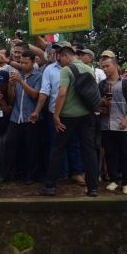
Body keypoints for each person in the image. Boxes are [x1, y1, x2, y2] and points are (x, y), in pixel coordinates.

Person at [40, 41, 100, 197]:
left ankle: (50, 186)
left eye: (60, 58)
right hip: (87, 116)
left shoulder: (66, 70)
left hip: (67, 117)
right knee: (89, 151)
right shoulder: (89, 68)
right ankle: (93, 188)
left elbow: (62, 93)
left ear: (66, 55)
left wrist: (56, 115)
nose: (60, 61)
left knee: (58, 149)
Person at [30, 42, 85, 185]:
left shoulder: (77, 67)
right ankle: (61, 174)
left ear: (67, 53)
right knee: (56, 145)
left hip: (73, 114)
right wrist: (36, 111)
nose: (57, 54)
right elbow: (44, 92)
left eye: (60, 51)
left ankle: (77, 173)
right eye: (55, 51)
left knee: (74, 143)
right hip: (54, 113)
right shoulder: (49, 69)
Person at [99, 55, 127, 195]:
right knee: (109, 153)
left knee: (125, 154)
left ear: (115, 66)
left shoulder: (126, 83)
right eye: (103, 66)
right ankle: (114, 179)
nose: (105, 69)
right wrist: (102, 103)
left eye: (107, 66)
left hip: (122, 124)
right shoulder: (102, 84)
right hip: (106, 124)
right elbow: (97, 103)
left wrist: (126, 119)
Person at [5, 50, 41, 183]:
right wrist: (10, 85)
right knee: (9, 144)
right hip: (16, 117)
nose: (23, 65)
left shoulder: (38, 76)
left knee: (31, 148)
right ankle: (7, 174)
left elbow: (35, 95)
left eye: (26, 63)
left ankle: (31, 176)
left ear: (33, 62)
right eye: (21, 62)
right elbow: (11, 98)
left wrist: (21, 82)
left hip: (31, 117)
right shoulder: (17, 75)